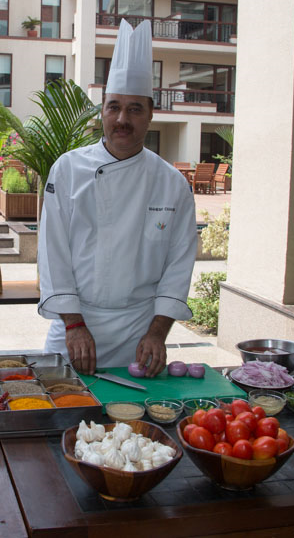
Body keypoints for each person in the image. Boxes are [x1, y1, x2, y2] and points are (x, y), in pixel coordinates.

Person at [37, 19, 197, 377]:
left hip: (139, 335)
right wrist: (74, 324)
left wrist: (158, 333)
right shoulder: (68, 170)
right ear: (102, 111)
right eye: (114, 107)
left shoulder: (172, 184)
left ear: (151, 114)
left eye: (135, 109)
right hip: (74, 328)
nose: (122, 119)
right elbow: (53, 253)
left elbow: (178, 265)